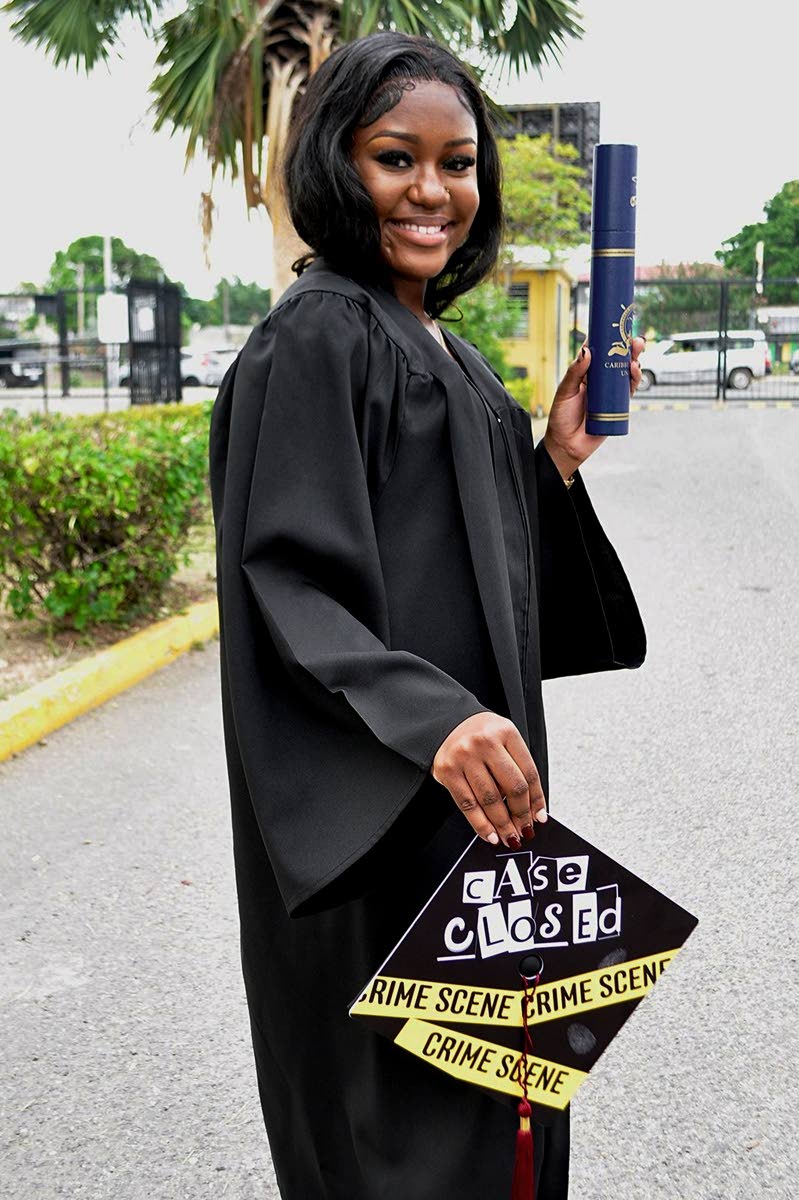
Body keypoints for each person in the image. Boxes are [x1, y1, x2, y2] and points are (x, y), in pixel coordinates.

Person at [209, 30, 646, 1200]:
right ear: (335, 169)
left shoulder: (442, 350)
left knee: (497, 1103)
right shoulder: (317, 335)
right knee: (396, 1134)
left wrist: (548, 461)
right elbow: (282, 575)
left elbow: (487, 578)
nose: (433, 192)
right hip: (380, 820)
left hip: (478, 819)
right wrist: (432, 722)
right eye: (396, 157)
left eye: (458, 164)